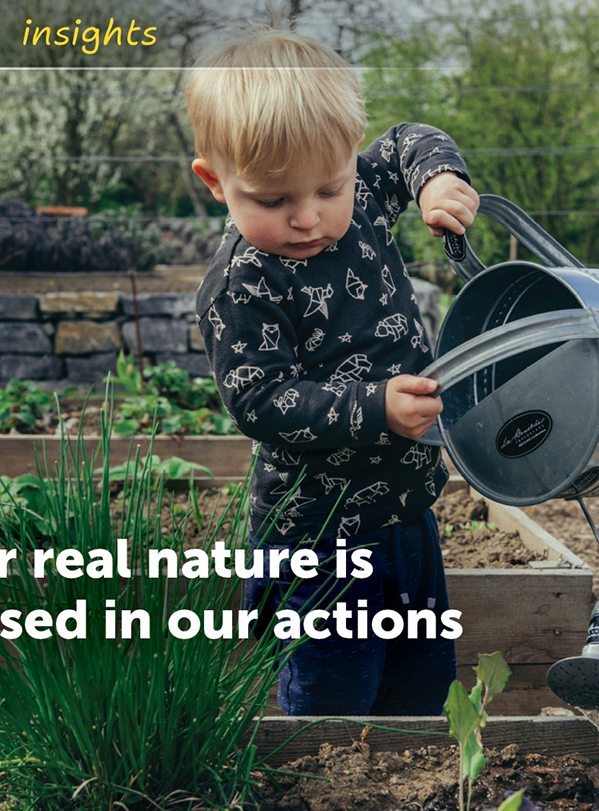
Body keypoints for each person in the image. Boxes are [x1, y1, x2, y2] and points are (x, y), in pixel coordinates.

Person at [185, 23, 479, 716]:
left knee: (420, 676)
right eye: (272, 199)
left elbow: (409, 139)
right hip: (317, 536)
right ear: (213, 181)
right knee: (333, 695)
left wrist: (437, 179)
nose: (308, 217)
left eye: (329, 187)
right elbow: (260, 399)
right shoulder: (242, 284)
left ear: (351, 160)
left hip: (409, 511)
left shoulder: (368, 195)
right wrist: (374, 406)